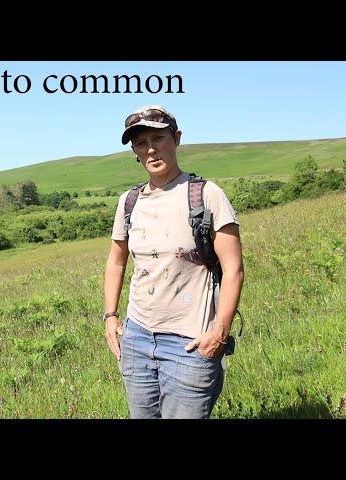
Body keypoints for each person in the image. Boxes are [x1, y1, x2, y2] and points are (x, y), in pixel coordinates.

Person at [103, 105, 244, 419]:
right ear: (135, 152)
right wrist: (110, 317)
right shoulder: (129, 201)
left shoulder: (207, 195)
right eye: (141, 143)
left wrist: (220, 332)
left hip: (190, 342)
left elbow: (234, 268)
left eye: (158, 138)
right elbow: (116, 259)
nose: (151, 149)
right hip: (137, 337)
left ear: (176, 138)